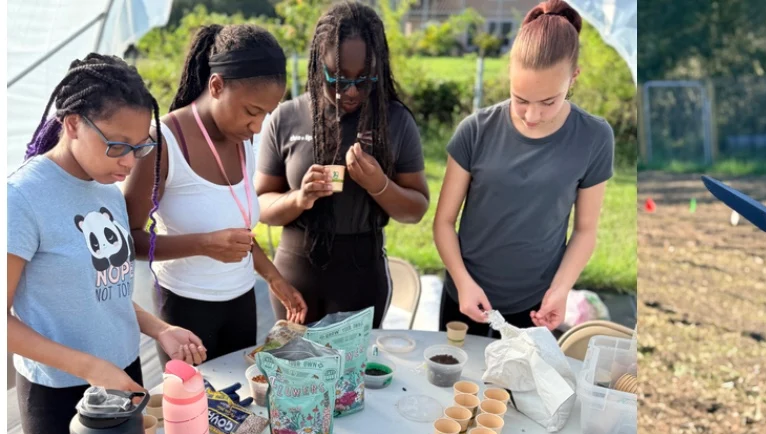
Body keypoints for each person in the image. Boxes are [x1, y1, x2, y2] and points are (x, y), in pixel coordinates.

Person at [7, 55, 208, 434]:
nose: (130, 162)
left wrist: (159, 329)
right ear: (73, 123)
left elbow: (101, 291)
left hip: (122, 376)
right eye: (118, 145)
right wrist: (93, 370)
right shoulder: (22, 198)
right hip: (62, 397)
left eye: (140, 147)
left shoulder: (108, 188)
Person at [124, 24, 307, 365]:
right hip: (185, 307)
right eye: (252, 112)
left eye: (266, 115)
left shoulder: (244, 139)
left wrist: (274, 278)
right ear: (217, 85)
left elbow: (237, 231)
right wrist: (203, 244)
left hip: (241, 300)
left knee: (241, 407)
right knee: (195, 412)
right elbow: (129, 241)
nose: (257, 126)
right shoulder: (163, 142)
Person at [433, 0, 615, 336]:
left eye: (548, 102)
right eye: (520, 99)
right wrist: (462, 281)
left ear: (574, 77)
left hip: (535, 306)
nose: (532, 116)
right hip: (465, 297)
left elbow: (586, 229)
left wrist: (560, 290)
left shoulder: (595, 137)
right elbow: (443, 222)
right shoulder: (475, 130)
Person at [257, 1, 430, 326]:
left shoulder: (395, 121)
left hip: (362, 277)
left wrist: (378, 184)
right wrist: (300, 198)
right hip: (296, 276)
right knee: (296, 372)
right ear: (317, 65)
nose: (350, 92)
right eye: (336, 79)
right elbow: (261, 205)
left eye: (364, 79)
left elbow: (416, 208)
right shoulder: (287, 117)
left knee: (356, 375)